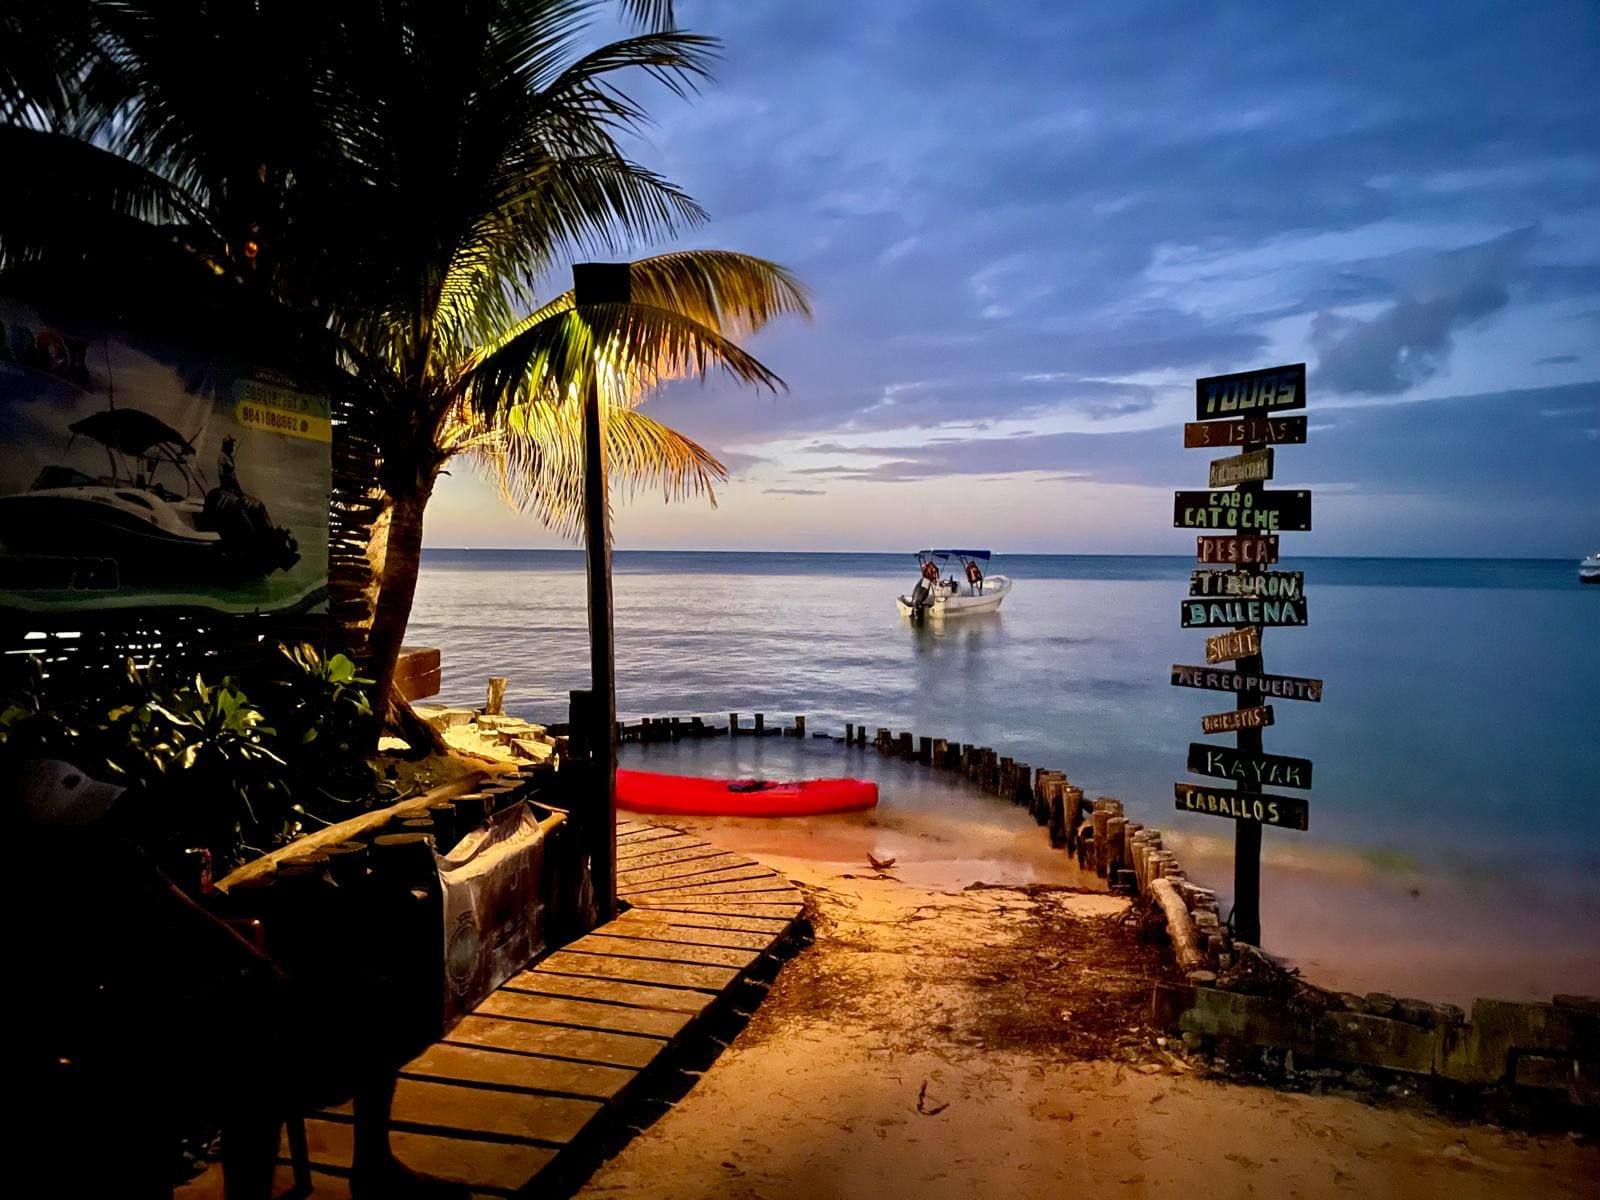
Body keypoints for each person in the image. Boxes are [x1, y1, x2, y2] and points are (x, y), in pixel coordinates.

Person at [8, 756, 466, 1199]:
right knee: (254, 1076)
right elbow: (81, 1002)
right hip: (133, 1039)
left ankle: (374, 1166)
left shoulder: (117, 857)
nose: (100, 823)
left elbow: (193, 919)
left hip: (196, 1002)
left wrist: (263, 968)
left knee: (367, 999)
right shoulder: (45, 901)